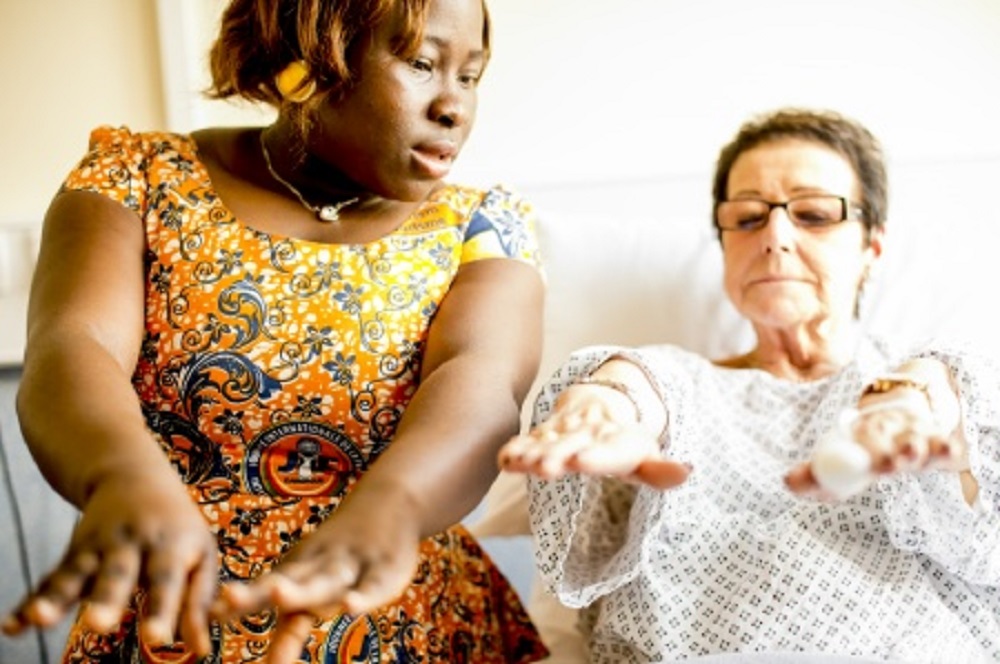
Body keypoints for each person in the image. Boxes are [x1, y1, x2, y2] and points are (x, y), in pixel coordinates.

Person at [0, 0, 550, 662]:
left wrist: (394, 509)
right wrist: (120, 476)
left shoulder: (484, 228)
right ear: (307, 59)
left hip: (408, 628)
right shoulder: (135, 178)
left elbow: (481, 384)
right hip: (173, 628)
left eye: (471, 76)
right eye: (423, 64)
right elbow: (73, 346)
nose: (454, 107)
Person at [498, 108, 1000, 663]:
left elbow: (949, 398)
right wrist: (603, 404)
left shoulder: (924, 381)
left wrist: (912, 402)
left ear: (870, 248)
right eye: (747, 218)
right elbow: (633, 385)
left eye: (812, 214)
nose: (775, 237)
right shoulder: (677, 381)